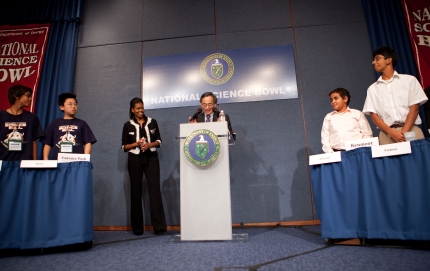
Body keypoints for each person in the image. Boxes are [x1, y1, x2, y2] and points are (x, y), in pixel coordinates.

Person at [363, 46, 428, 145]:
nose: (374, 62)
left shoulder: (409, 80)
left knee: (419, 159)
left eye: (377, 58)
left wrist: (404, 132)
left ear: (389, 60)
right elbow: (374, 116)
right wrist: (391, 132)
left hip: (411, 129)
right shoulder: (372, 89)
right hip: (387, 134)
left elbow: (414, 108)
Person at [121, 97, 167, 236]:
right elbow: (124, 146)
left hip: (151, 158)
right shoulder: (127, 125)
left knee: (155, 191)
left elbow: (159, 141)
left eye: (142, 107)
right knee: (135, 192)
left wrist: (149, 144)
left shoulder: (153, 122)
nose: (141, 110)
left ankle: (159, 227)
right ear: (132, 110)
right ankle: (137, 229)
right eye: (138, 108)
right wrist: (136, 144)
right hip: (134, 159)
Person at [42, 93, 97, 160]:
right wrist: (45, 159)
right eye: (70, 104)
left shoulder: (82, 123)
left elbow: (88, 143)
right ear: (62, 107)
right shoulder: (55, 123)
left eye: (75, 104)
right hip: (58, 161)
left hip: (77, 162)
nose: (73, 106)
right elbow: (48, 143)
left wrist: (85, 159)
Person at [321, 88, 373, 153]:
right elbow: (325, 137)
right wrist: (330, 152)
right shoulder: (329, 117)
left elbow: (367, 134)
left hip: (356, 151)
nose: (333, 102)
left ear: (345, 99)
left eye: (336, 98)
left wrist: (364, 150)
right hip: (336, 152)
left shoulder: (357, 114)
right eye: (331, 100)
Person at [0, 85, 44, 161]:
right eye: (28, 96)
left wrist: (34, 162)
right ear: (16, 96)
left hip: (25, 163)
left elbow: (34, 141)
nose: (30, 99)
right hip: (3, 162)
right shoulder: (1, 116)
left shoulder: (32, 118)